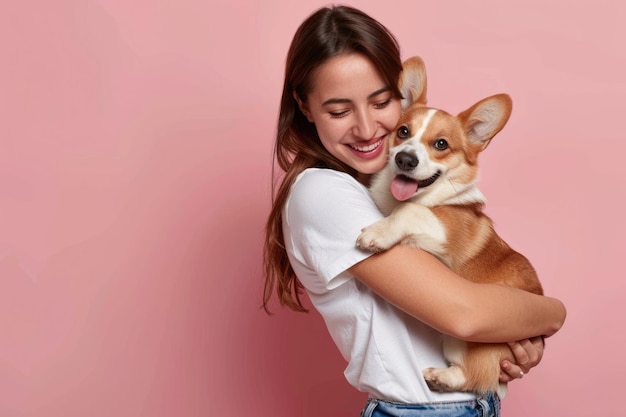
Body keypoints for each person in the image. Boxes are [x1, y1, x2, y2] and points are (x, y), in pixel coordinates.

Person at [262, 5, 566, 416]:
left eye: (382, 102)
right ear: (304, 105)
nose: (368, 129)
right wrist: (551, 313)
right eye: (338, 110)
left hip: (468, 401)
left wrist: (515, 333)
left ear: (401, 96)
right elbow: (464, 315)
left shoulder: (375, 192)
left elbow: (476, 309)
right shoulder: (323, 193)